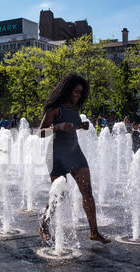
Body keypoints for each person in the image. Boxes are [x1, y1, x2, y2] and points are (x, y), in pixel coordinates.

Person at [38, 72, 110, 245]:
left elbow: (71, 126)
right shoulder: (54, 108)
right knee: (58, 195)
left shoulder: (75, 108)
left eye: (80, 93)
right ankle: (44, 226)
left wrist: (80, 126)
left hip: (74, 152)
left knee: (87, 191)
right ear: (66, 90)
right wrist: (58, 126)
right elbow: (40, 132)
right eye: (75, 92)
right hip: (56, 155)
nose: (77, 96)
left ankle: (94, 232)